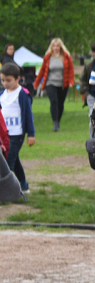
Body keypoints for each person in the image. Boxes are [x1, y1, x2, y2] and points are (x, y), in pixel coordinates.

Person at [1, 62, 35, 194]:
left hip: (17, 134)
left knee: (8, 162)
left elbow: (28, 115)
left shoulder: (22, 94)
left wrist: (31, 134)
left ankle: (6, 192)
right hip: (4, 135)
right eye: (2, 80)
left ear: (17, 79)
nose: (5, 83)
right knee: (14, 161)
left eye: (8, 80)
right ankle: (23, 185)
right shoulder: (2, 95)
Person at [33, 38, 74, 132]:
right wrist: (36, 83)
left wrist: (71, 81)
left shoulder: (66, 56)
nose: (56, 48)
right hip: (50, 83)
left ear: (61, 47)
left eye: (57, 46)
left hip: (63, 84)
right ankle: (55, 122)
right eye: (54, 46)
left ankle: (58, 121)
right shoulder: (47, 57)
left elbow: (71, 70)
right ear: (51, 47)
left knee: (60, 103)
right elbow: (42, 71)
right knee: (54, 101)